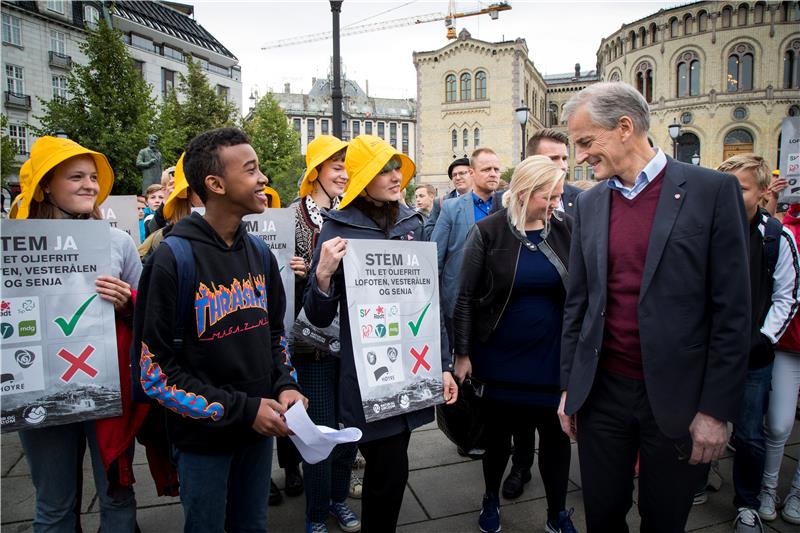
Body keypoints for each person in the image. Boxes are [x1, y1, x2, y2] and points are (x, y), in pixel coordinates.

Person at [558, 82, 751, 533]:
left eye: (587, 142)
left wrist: (715, 410)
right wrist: (570, 388)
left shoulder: (712, 191)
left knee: (664, 520)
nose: (581, 156)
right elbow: (579, 305)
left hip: (678, 401)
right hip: (602, 394)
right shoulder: (588, 204)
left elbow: (733, 313)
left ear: (625, 127)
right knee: (602, 516)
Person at [135, 127, 306, 533]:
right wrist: (244, 410)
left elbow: (275, 338)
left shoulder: (261, 253)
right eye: (251, 170)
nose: (263, 178)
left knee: (253, 526)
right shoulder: (172, 258)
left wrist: (285, 384)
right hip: (203, 444)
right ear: (215, 184)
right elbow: (155, 375)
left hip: (259, 434)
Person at [304, 134, 458, 533]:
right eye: (384, 169)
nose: (396, 177)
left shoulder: (414, 223)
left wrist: (442, 365)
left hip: (413, 368)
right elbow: (319, 316)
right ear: (362, 178)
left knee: (393, 469)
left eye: (396, 168)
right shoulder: (337, 229)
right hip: (368, 375)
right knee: (389, 469)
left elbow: (431, 301)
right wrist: (322, 274)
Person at [13, 136, 146, 532]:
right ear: (46, 186)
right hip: (37, 390)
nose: (89, 184)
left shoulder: (119, 242)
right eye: (76, 177)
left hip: (108, 388)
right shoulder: (13, 248)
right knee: (54, 504)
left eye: (92, 176)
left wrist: (128, 303)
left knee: (117, 495)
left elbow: (148, 315)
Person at [453, 155, 578, 533]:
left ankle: (557, 514)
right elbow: (465, 297)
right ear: (523, 192)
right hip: (499, 357)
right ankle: (490, 498)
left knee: (556, 442)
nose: (556, 203)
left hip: (552, 358)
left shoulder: (566, 229)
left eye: (558, 195)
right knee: (498, 440)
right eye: (549, 196)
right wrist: (461, 353)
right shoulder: (489, 232)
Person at [708, 154, 800, 533]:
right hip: (706, 354)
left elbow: (787, 295)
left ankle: (746, 501)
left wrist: (764, 338)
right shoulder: (704, 231)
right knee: (696, 422)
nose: (730, 196)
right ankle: (698, 480)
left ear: (764, 192)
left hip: (752, 357)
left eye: (741, 188)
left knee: (749, 432)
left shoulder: (775, 238)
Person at [290, 135, 360, 533]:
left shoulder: (353, 214)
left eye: (347, 168)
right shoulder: (292, 219)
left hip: (351, 344)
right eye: (336, 168)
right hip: (310, 346)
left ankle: (337, 499)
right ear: (315, 171)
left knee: (349, 430)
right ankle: (316, 513)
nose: (344, 176)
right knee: (320, 431)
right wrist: (295, 273)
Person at [431, 148, 500, 348]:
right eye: (487, 169)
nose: (493, 173)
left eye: (496, 169)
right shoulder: (451, 208)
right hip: (460, 300)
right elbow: (436, 257)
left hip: (497, 301)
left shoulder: (508, 207)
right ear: (472, 172)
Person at [760, 202, 800, 526]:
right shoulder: (787, 233)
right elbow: (783, 293)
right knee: (778, 424)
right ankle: (767, 489)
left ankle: (798, 492)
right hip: (788, 346)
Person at [490, 129, 581, 218]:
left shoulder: (580, 198)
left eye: (564, 158)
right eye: (553, 159)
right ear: (532, 161)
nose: (563, 166)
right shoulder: (501, 201)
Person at [422, 157, 473, 240]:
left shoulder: (483, 199)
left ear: (472, 174)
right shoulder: (441, 202)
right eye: (454, 175)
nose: (458, 178)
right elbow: (429, 230)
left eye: (462, 173)